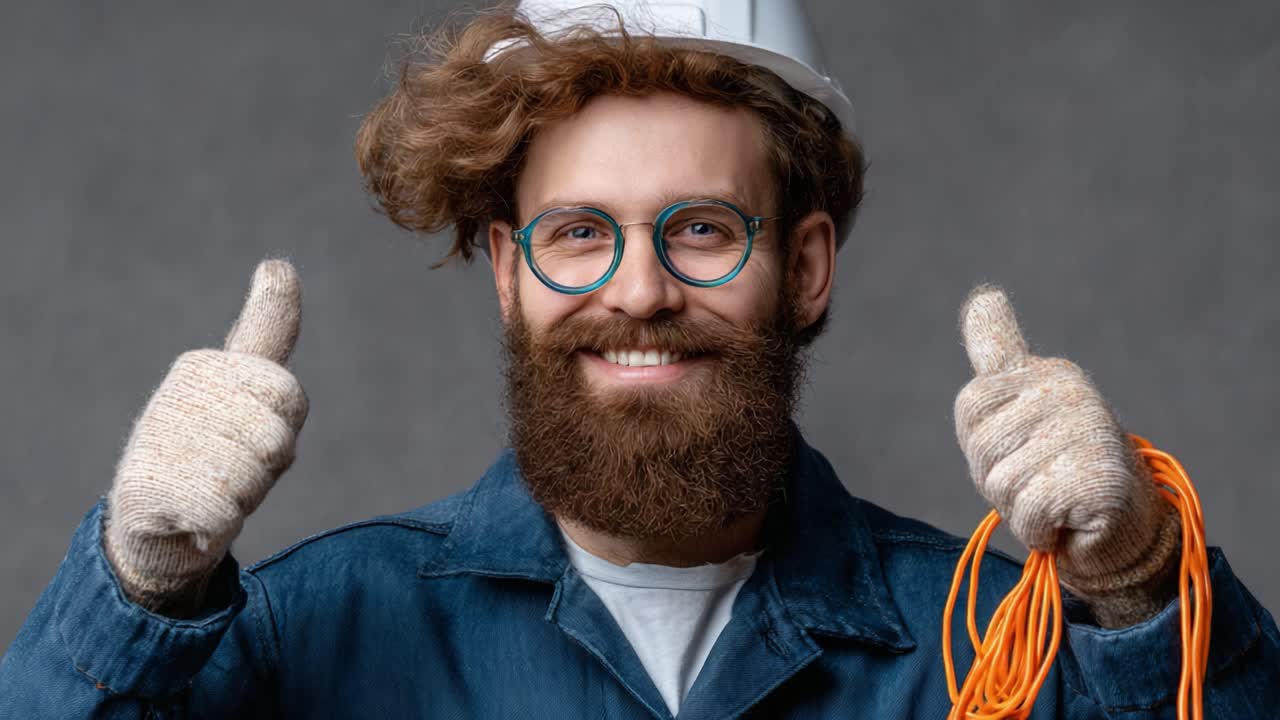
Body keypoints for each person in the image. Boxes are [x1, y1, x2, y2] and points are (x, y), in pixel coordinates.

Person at [2, 1, 1277, 717]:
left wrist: (1135, 590)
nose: (639, 290)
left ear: (809, 264)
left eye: (704, 230)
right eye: (575, 236)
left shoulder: (1004, 647)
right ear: (509, 274)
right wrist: (141, 587)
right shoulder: (309, 634)